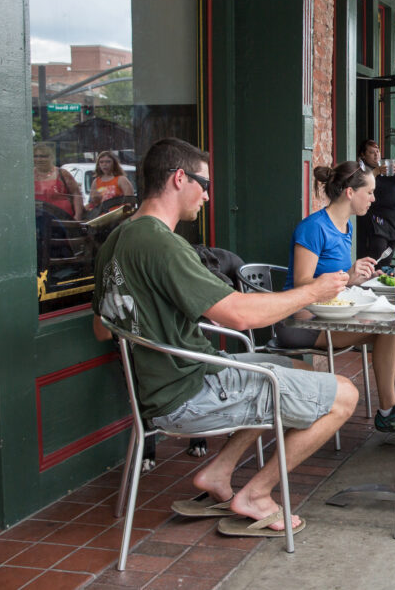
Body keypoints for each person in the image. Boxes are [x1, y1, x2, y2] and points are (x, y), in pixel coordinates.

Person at [92, 138, 358, 537]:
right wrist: (313, 292)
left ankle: (218, 473)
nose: (207, 196)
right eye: (204, 184)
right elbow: (238, 316)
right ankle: (255, 494)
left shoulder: (118, 239)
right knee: (344, 395)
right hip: (186, 392)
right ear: (179, 178)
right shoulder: (162, 245)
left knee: (288, 367)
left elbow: (101, 328)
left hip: (162, 384)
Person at [278, 161, 395, 433]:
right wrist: (348, 277)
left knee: (392, 327)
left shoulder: (345, 227)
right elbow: (303, 283)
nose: (374, 199)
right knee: (387, 329)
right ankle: (392, 412)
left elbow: (337, 278)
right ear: (350, 192)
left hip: (329, 316)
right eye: (370, 192)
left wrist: (359, 277)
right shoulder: (314, 227)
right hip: (300, 321)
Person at [355, 139, 395, 261]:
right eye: (372, 152)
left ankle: (383, 272)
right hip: (377, 220)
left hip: (394, 218)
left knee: (388, 253)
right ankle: (373, 274)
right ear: (363, 155)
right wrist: (377, 171)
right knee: (378, 250)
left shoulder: (386, 165)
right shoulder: (362, 169)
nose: (376, 155)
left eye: (377, 151)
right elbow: (362, 183)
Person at [33, 142, 83, 220]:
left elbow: (76, 194)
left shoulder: (62, 173)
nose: (39, 159)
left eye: (44, 156)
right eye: (36, 156)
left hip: (63, 221)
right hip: (37, 220)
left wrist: (77, 216)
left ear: (52, 157)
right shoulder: (28, 175)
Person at [86, 150, 135, 214]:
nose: (104, 164)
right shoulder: (96, 182)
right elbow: (91, 204)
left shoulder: (121, 179)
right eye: (101, 162)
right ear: (98, 165)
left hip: (119, 216)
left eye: (108, 162)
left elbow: (130, 201)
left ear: (114, 164)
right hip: (101, 217)